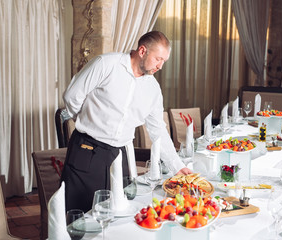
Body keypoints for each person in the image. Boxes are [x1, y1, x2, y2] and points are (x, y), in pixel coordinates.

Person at [61, 31, 192, 212]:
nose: (160, 66)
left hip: (120, 157)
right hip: (87, 151)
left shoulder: (153, 88)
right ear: (142, 51)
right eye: (158, 59)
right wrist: (86, 120)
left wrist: (177, 166)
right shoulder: (106, 64)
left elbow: (158, 130)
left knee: (117, 216)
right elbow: (72, 96)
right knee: (79, 216)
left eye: (164, 61)